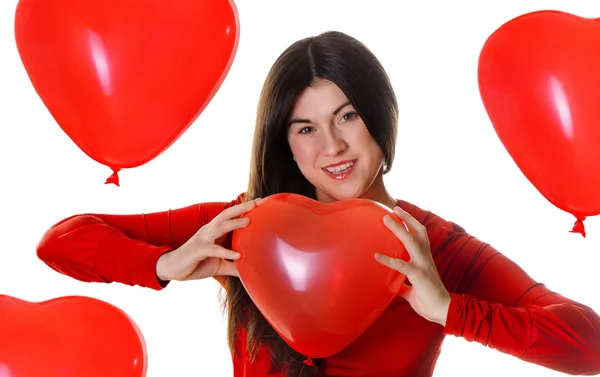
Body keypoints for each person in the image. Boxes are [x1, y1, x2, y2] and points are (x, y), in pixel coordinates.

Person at [36, 31, 600, 377]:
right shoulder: (243, 225)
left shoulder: (431, 249)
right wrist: (162, 264)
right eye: (304, 128)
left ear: (381, 117)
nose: (331, 147)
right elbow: (61, 241)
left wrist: (449, 309)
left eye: (347, 117)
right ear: (285, 143)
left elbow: (588, 344)